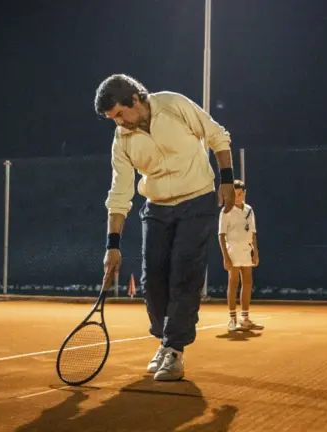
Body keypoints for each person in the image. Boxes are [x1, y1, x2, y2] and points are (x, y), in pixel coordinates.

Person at [95, 74, 236, 381]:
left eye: (120, 114)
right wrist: (112, 246)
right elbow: (119, 193)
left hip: (197, 201)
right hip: (157, 207)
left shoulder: (173, 104)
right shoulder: (121, 140)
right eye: (112, 119)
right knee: (151, 281)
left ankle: (174, 350)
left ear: (135, 99)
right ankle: (166, 339)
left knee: (184, 274)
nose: (118, 123)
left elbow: (217, 136)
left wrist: (226, 180)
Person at [218, 180, 263, 332]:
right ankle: (232, 319)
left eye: (240, 193)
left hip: (246, 250)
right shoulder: (225, 211)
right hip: (233, 250)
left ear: (244, 193)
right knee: (233, 282)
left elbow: (253, 232)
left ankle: (245, 318)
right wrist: (226, 257)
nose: (238, 197)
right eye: (235, 194)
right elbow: (221, 235)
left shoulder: (249, 210)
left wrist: (255, 252)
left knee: (248, 282)